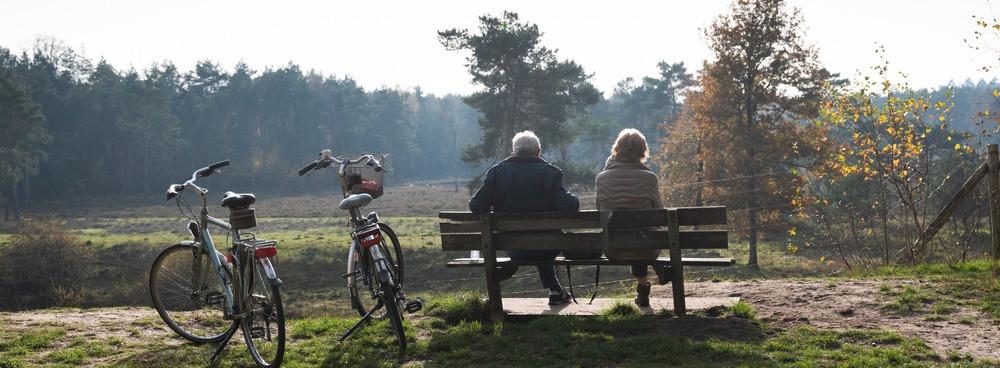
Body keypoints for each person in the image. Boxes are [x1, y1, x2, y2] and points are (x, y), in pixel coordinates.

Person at [469, 130, 579, 305]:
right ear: (538, 151)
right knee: (541, 240)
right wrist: (573, 198)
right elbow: (569, 205)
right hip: (549, 246)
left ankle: (554, 289)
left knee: (532, 240)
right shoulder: (551, 173)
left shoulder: (497, 173)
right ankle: (555, 291)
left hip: (512, 246)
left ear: (514, 151)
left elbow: (476, 206)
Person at [595, 128, 667, 307]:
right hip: (646, 247)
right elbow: (659, 213)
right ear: (643, 150)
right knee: (642, 236)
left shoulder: (601, 178)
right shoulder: (649, 178)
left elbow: (599, 210)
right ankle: (645, 288)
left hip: (612, 246)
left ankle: (644, 289)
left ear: (617, 149)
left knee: (630, 235)